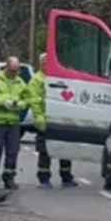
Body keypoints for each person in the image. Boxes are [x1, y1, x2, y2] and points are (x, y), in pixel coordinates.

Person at [27, 53, 76, 188]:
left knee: (65, 149)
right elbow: (35, 101)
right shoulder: (37, 80)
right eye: (44, 63)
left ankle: (66, 177)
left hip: (60, 118)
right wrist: (40, 119)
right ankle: (44, 178)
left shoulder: (59, 77)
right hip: (46, 119)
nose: (46, 66)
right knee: (45, 152)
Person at [0, 56, 30, 190]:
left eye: (16, 70)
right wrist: (3, 102)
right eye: (12, 70)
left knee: (12, 152)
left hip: (13, 121)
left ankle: (9, 178)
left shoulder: (20, 82)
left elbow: (27, 98)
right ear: (6, 67)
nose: (14, 73)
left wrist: (21, 105)